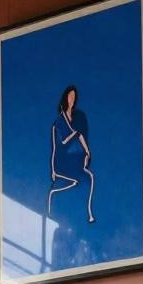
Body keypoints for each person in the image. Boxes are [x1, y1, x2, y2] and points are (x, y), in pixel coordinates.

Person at [47, 85, 95, 223]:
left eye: (74, 97)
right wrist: (52, 169)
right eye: (70, 96)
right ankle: (53, 194)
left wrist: (87, 152)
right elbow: (62, 143)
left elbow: (79, 136)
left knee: (89, 177)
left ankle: (89, 213)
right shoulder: (59, 122)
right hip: (61, 162)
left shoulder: (76, 118)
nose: (72, 99)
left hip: (73, 160)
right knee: (77, 181)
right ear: (65, 98)